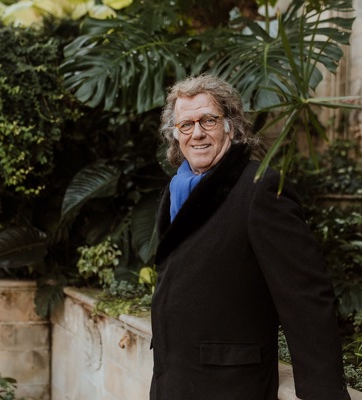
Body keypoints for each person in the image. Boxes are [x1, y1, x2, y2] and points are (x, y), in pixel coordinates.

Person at [150, 74, 350, 400]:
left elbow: (306, 295)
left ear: (231, 126)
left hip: (229, 386)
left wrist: (323, 392)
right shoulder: (176, 190)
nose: (197, 133)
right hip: (174, 377)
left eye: (209, 121)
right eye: (186, 125)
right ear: (175, 134)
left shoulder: (259, 189)